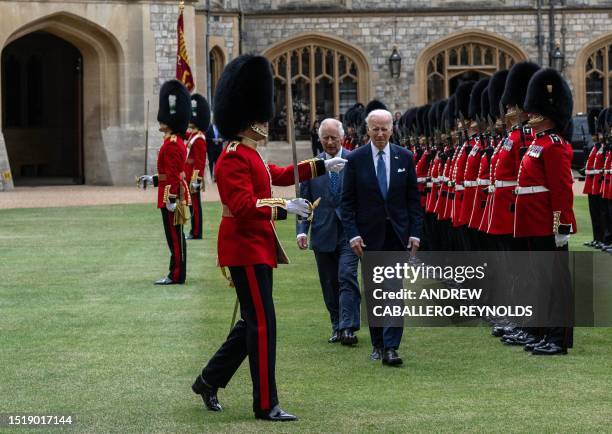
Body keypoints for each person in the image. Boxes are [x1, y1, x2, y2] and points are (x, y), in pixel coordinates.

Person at [191, 54, 347, 421]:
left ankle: (208, 380)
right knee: (262, 324)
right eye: (260, 118)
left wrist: (321, 164)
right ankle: (265, 404)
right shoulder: (231, 157)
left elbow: (276, 173)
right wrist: (284, 207)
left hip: (257, 246)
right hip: (243, 248)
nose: (265, 123)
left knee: (251, 321)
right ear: (247, 120)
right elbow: (243, 204)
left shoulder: (250, 153)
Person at [340, 108, 423, 366]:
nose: (380, 134)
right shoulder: (356, 159)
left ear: (391, 129)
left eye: (384, 129)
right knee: (375, 291)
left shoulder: (404, 157)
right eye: (375, 129)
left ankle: (390, 347)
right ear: (368, 130)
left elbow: (413, 201)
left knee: (394, 291)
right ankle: (377, 342)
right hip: (368, 237)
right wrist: (353, 235)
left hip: (397, 234)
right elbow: (347, 203)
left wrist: (415, 234)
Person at [514, 68, 577, 355]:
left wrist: (561, 226)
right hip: (532, 222)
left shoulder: (554, 146)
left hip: (547, 224)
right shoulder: (537, 144)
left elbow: (562, 190)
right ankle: (542, 331)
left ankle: (558, 338)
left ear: (546, 112)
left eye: (535, 110)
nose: (529, 115)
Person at [296, 118, 360, 346]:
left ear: (342, 138)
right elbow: (304, 201)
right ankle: (336, 324)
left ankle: (348, 327)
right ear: (320, 139)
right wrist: (301, 231)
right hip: (323, 230)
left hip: (350, 231)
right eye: (326, 138)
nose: (330, 142)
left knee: (347, 276)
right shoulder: (311, 166)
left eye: (334, 138)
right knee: (329, 282)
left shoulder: (355, 160)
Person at [138, 80, 191, 285]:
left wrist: (169, 199)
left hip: (172, 197)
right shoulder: (173, 142)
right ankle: (176, 272)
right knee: (175, 238)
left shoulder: (172, 145)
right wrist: (152, 179)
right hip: (172, 194)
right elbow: (168, 173)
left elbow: (173, 176)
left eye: (163, 120)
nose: (160, 122)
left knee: (175, 240)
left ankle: (176, 275)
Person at [184, 93, 210, 240]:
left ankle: (196, 232)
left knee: (195, 206)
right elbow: (184, 134)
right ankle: (194, 230)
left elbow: (200, 161)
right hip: (188, 176)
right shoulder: (194, 135)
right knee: (191, 205)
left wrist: (196, 179)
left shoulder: (199, 138)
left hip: (193, 177)